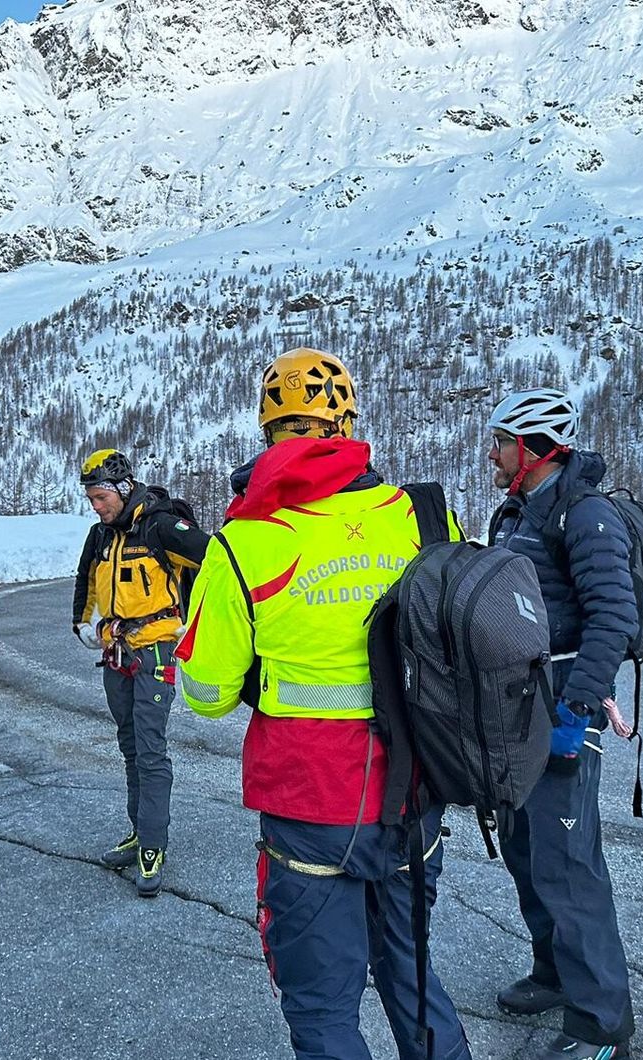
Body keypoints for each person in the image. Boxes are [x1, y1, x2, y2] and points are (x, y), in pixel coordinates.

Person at [175, 348, 473, 1060]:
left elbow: (207, 695)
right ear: (348, 420)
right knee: (412, 974)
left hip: (311, 805)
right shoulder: (423, 518)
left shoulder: (244, 542)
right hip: (416, 794)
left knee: (321, 1006)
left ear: (267, 429)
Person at [484, 387, 638, 1060]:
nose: (490, 453)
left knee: (569, 863)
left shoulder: (586, 513)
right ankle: (554, 973)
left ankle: (600, 1023)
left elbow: (615, 619)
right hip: (514, 705)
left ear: (533, 447)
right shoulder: (518, 511)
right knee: (526, 852)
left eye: (500, 442)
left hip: (562, 704)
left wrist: (577, 711)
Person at [72, 448, 209, 897]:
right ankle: (139, 831)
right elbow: (86, 581)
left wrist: (201, 626)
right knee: (130, 747)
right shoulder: (101, 536)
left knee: (150, 750)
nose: (96, 506)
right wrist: (84, 624)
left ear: (123, 489)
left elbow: (216, 563)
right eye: (91, 499)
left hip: (155, 653)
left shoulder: (161, 526)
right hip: (116, 655)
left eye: (100, 498)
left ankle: (153, 844)